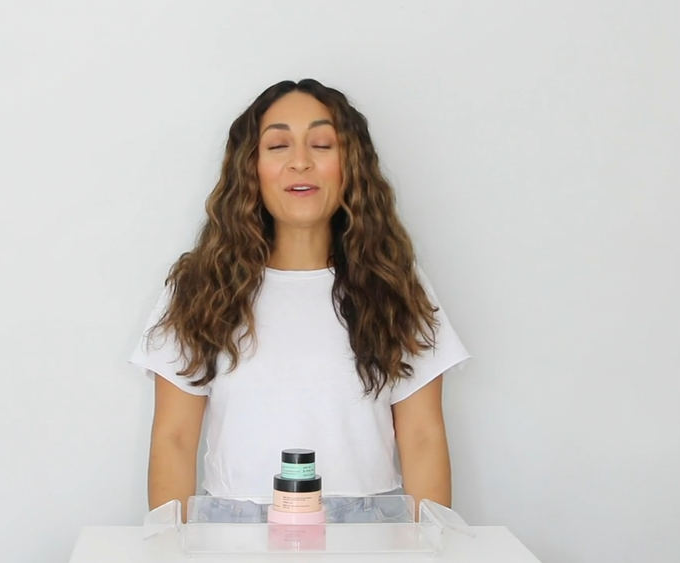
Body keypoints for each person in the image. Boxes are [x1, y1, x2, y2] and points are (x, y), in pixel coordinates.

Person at [129, 78, 470, 523]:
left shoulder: (395, 284)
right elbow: (174, 438)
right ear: (250, 168)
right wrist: (169, 541)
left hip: (369, 530)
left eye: (322, 144)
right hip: (233, 532)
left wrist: (433, 543)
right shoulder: (201, 287)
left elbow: (423, 435)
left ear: (350, 165)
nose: (301, 162)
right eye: (278, 146)